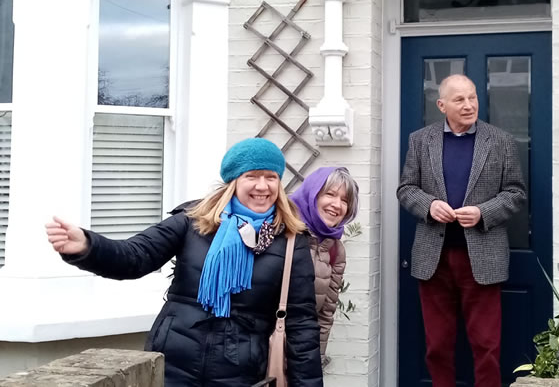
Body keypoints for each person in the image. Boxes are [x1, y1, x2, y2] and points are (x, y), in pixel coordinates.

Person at [45, 138, 323, 387]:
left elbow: (302, 324)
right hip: (173, 362)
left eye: (271, 177)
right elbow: (134, 256)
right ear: (234, 180)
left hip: (242, 370)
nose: (262, 186)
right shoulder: (191, 221)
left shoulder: (289, 240)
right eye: (252, 176)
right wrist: (87, 246)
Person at [396, 74, 526, 387]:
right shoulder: (420, 140)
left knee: (486, 346)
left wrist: (484, 212)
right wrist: (428, 206)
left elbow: (516, 193)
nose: (469, 106)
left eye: (473, 98)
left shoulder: (501, 141)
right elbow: (406, 189)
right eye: (459, 100)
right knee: (437, 346)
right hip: (434, 260)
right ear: (441, 105)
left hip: (482, 259)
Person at [290, 166, 359, 367]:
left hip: (299, 355)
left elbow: (324, 315)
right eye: (330, 194)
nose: (337, 205)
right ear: (313, 194)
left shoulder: (334, 249)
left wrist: (313, 363)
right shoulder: (282, 230)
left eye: (345, 200)